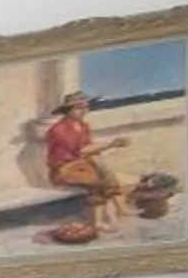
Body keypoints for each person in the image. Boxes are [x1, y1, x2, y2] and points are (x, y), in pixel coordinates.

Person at [36, 90, 132, 235]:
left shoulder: (83, 126)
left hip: (80, 165)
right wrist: (111, 144)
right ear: (68, 110)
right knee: (97, 182)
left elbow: (89, 149)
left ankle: (120, 210)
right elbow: (82, 151)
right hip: (63, 170)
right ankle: (99, 222)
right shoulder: (58, 130)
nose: (84, 110)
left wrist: (102, 164)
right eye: (79, 107)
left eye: (86, 107)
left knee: (106, 175)